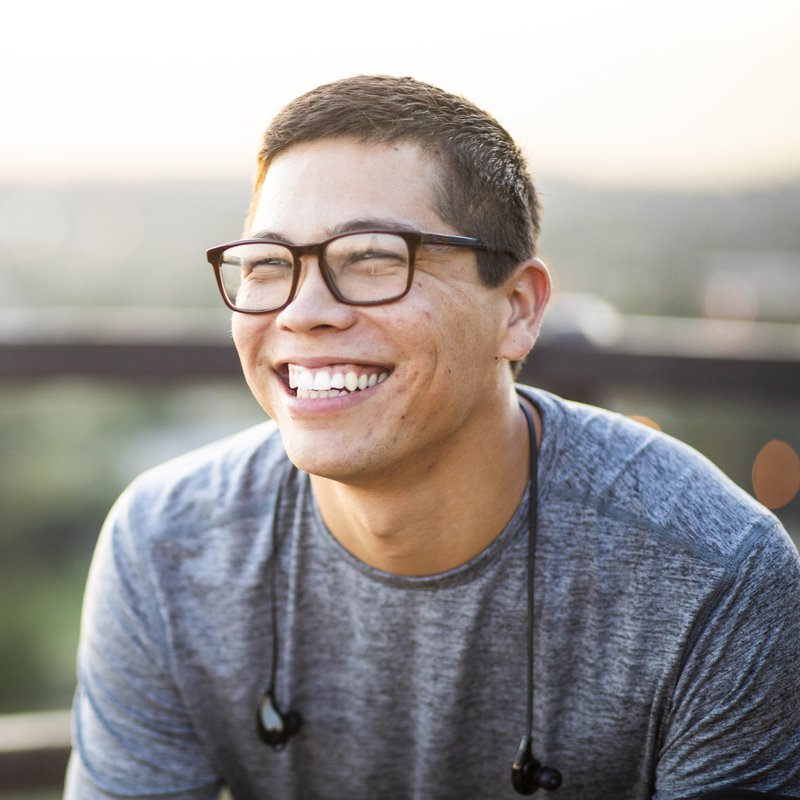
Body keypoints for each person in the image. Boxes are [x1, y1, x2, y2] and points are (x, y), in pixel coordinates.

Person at [64, 75, 800, 799]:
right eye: (267, 266)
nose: (303, 312)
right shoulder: (167, 545)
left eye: (374, 259)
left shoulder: (713, 576)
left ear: (515, 309)